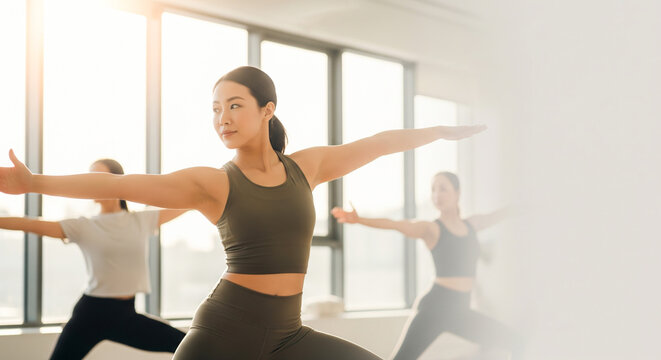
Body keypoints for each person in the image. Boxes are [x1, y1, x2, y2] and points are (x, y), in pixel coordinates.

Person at [0, 66, 485, 359]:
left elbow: (377, 144)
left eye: (234, 106)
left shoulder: (307, 167)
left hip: (288, 334)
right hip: (224, 332)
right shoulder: (213, 182)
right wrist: (34, 182)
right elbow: (121, 183)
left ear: (267, 110)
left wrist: (438, 131)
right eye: (215, 110)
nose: (222, 119)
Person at [0, 159, 186, 360]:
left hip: (126, 315)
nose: (92, 183)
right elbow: (29, 224)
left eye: (98, 177)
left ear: (119, 181)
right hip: (91, 314)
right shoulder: (84, 226)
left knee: (189, 345)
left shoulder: (142, 219)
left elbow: (191, 200)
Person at [332, 171, 522, 360]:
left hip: (461, 310)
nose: (437, 195)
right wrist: (359, 219)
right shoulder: (431, 229)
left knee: (515, 341)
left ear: (457, 193)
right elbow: (396, 224)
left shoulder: (472, 224)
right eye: (433, 190)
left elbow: (500, 214)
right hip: (435, 308)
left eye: (443, 189)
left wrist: (530, 203)